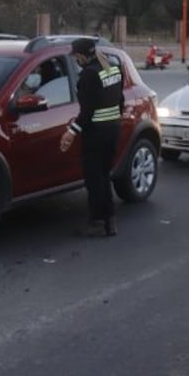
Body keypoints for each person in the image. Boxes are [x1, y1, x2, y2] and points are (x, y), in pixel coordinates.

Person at [59, 38, 124, 237]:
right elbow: (120, 101)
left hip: (96, 133)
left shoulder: (88, 75)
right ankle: (110, 222)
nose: (75, 59)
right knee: (104, 176)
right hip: (113, 130)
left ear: (81, 55)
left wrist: (71, 131)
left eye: (75, 56)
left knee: (94, 180)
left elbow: (87, 112)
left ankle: (96, 223)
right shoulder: (112, 68)